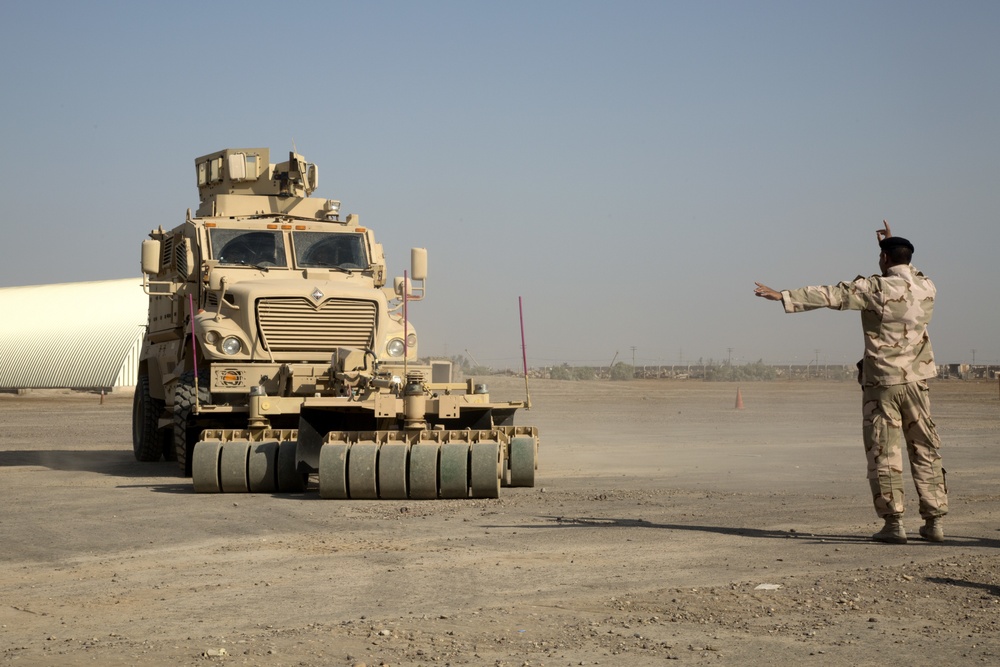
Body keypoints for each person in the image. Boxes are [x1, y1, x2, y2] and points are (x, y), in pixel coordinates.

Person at [753, 221, 947, 544]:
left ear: (885, 260)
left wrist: (783, 296)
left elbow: (830, 295)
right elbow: (909, 271)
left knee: (885, 452)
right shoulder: (927, 287)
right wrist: (891, 244)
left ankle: (894, 523)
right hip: (917, 382)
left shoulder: (875, 289)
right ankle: (935, 520)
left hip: (883, 383)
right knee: (925, 447)